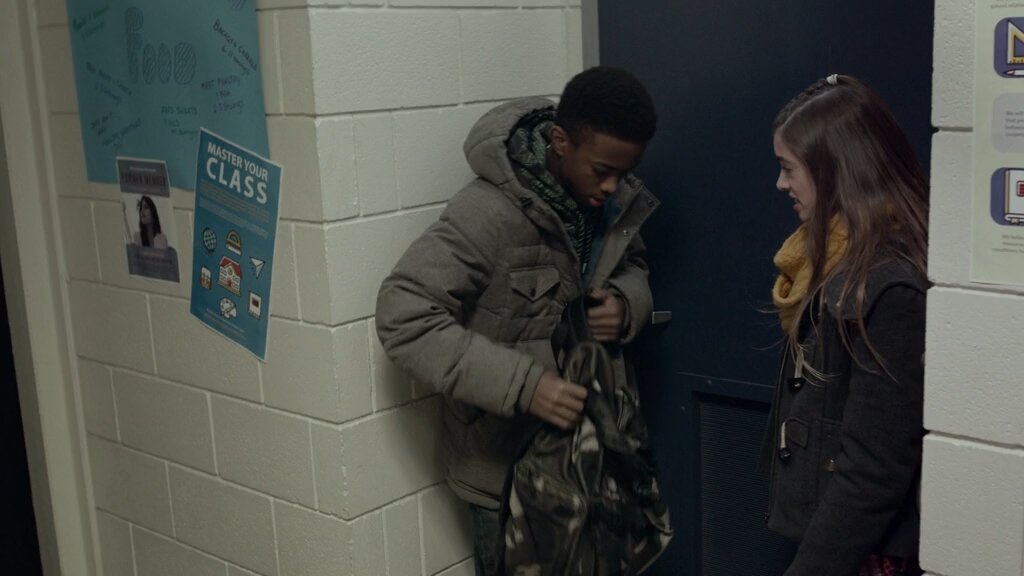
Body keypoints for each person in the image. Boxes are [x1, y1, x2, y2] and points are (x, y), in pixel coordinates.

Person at [375, 66, 659, 575]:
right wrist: (526, 386)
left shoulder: (609, 201)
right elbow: (404, 313)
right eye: (602, 170)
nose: (613, 185)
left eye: (624, 172)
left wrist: (625, 305)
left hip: (595, 454)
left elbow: (633, 264)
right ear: (560, 142)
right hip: (506, 472)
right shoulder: (487, 213)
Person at [763, 74, 929, 576]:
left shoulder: (890, 287)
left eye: (788, 168)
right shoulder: (831, 260)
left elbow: (873, 471)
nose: (781, 184)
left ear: (835, 171)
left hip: (862, 558)